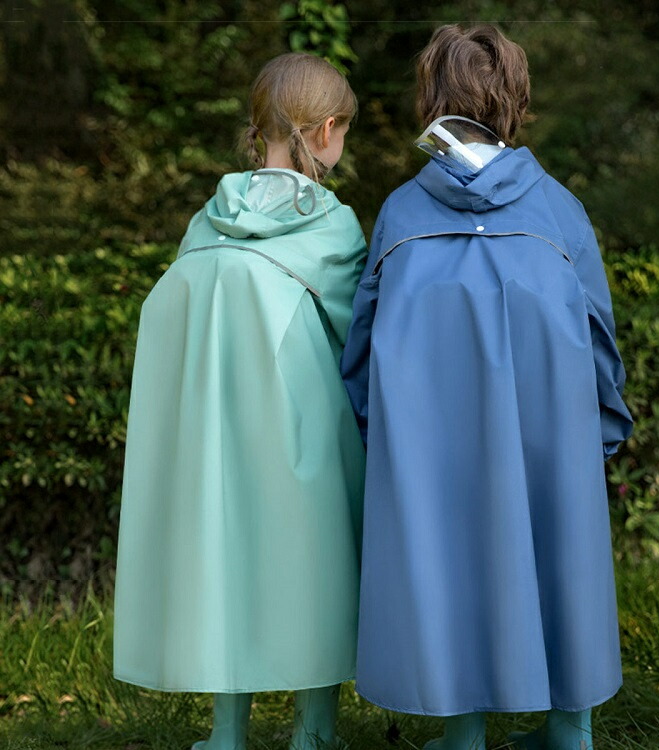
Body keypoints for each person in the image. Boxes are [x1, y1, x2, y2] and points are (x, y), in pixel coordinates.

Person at [340, 24, 634, 750]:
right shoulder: (559, 209)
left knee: (449, 556)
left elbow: (362, 345)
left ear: (430, 100)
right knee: (564, 548)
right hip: (553, 439)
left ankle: (462, 734)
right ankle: (570, 732)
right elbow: (600, 336)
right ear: (516, 102)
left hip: (431, 451)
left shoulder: (401, 214)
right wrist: (600, 433)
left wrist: (378, 433)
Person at [113, 52, 367, 750]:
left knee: (227, 557)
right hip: (303, 427)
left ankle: (227, 734)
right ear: (326, 130)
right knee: (314, 561)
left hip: (214, 432)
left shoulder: (208, 220)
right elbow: (357, 333)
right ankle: (313, 733)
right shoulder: (334, 225)